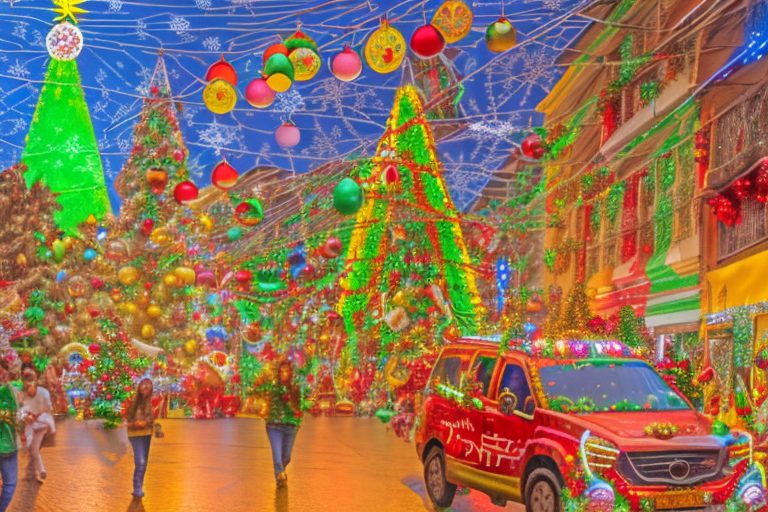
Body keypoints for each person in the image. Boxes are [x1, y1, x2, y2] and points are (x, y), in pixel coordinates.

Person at [265, 360, 304, 488]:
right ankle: (279, 474)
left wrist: (298, 420)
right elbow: (263, 396)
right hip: (274, 425)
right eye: (281, 372)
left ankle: (281, 470)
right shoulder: (273, 387)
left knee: (286, 457)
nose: (284, 374)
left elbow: (301, 407)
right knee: (277, 455)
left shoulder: (296, 389)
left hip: (290, 426)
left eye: (287, 371)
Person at [19, 364, 54, 484]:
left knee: (32, 449)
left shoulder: (42, 393)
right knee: (33, 449)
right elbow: (21, 411)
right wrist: (26, 416)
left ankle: (38, 472)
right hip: (37, 425)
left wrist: (34, 415)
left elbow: (48, 408)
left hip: (41, 425)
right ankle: (38, 472)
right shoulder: (23, 394)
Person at [126, 378, 154, 499]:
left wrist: (146, 422)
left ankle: (139, 487)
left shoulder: (152, 401)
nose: (146, 387)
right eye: (144, 384)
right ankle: (137, 488)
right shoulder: (133, 401)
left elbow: (154, 417)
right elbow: (128, 417)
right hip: (134, 434)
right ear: (139, 386)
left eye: (148, 385)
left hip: (146, 433)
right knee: (140, 461)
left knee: (144, 463)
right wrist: (134, 424)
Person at [0, 360, 19, 512]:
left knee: (10, 484)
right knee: (10, 484)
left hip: (8, 445)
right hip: (6, 445)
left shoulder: (11, 389)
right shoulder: (8, 390)